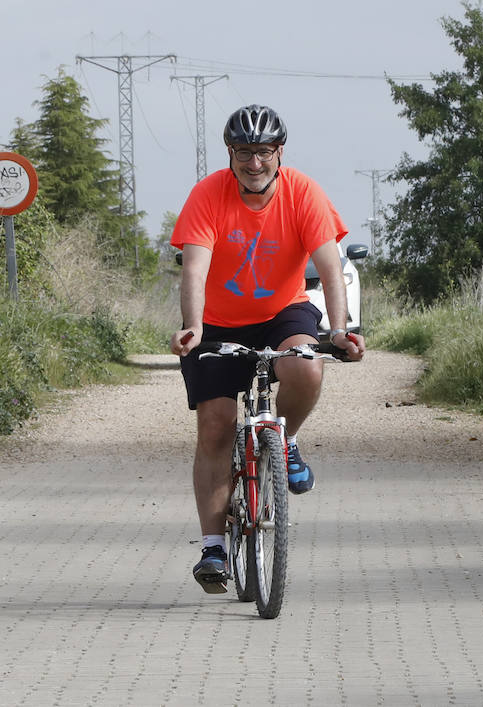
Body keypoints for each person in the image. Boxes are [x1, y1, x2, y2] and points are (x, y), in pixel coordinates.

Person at [169, 105, 365, 593]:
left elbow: (330, 265)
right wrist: (192, 326)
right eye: (243, 152)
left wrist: (339, 331)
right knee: (215, 426)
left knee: (307, 367)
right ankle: (214, 546)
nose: (253, 163)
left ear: (279, 152)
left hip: (283, 312)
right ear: (229, 153)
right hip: (217, 320)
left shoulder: (303, 193)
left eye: (262, 152)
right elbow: (194, 268)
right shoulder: (208, 194)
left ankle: (286, 438)